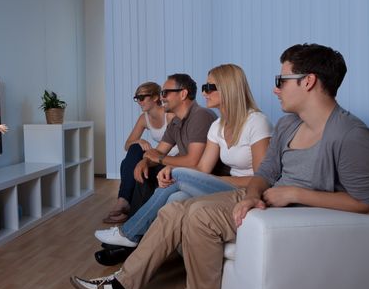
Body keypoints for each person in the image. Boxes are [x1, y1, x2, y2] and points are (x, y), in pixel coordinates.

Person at [70, 43, 369, 289]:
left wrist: (295, 194)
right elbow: (265, 172)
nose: (275, 89)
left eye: (282, 80)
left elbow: (363, 202)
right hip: (267, 196)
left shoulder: (349, 134)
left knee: (198, 212)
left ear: (308, 81)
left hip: (293, 209)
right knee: (176, 205)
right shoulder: (288, 124)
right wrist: (253, 194)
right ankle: (119, 287)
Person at [95, 64, 273, 250]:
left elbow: (261, 179)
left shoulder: (256, 122)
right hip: (224, 184)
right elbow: (202, 168)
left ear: (229, 88)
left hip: (247, 191)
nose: (204, 93)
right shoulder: (218, 125)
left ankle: (128, 233)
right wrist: (160, 165)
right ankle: (142, 247)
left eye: (209, 88)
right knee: (175, 199)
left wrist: (177, 170)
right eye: (204, 88)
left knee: (176, 175)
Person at [127, 73, 218, 217]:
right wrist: (144, 161)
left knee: (163, 176)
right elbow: (157, 152)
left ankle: (132, 230)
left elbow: (193, 161)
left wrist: (160, 159)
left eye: (165, 93)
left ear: (183, 94)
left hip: (205, 178)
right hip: (187, 171)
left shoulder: (201, 115)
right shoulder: (176, 122)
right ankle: (134, 224)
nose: (162, 97)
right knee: (146, 171)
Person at [103, 82, 177, 224]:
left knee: (126, 164)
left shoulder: (170, 115)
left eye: (142, 97)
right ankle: (123, 201)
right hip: (159, 153)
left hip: (172, 157)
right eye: (137, 98)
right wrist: (139, 141)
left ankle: (125, 204)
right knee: (135, 148)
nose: (139, 101)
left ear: (156, 97)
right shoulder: (144, 118)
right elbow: (127, 145)